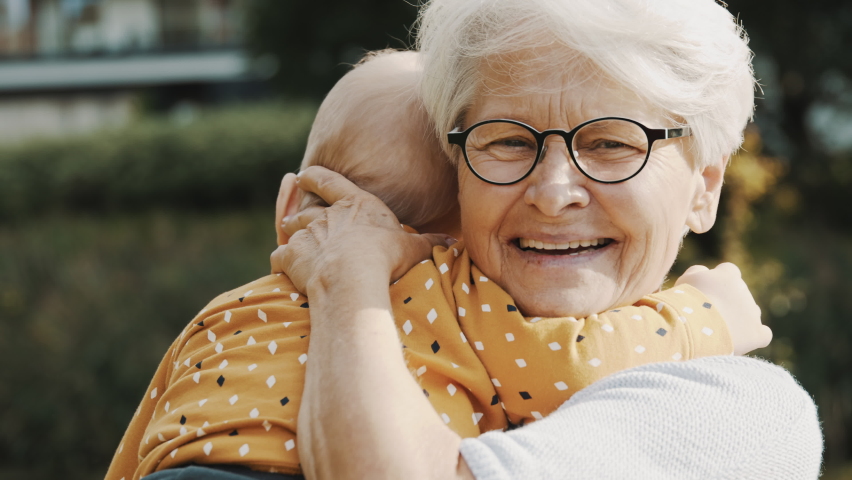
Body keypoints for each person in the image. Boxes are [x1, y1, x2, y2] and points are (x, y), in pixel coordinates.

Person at [106, 46, 764, 479]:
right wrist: (707, 315)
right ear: (460, 237)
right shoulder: (449, 296)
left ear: (288, 207)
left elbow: (137, 441)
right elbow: (577, 359)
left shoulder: (225, 314)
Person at [274, 0, 821, 478]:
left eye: (611, 142)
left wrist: (346, 282)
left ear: (704, 189)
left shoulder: (738, 409)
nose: (554, 192)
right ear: (458, 173)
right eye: (509, 140)